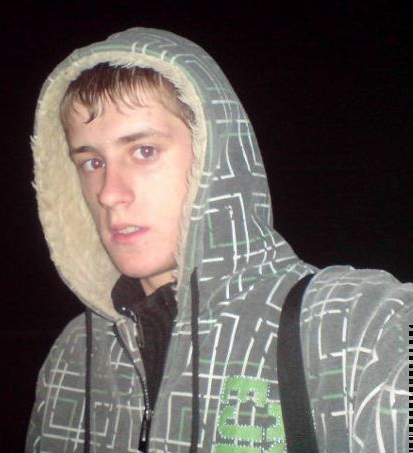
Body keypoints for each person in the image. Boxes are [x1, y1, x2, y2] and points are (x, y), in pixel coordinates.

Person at [26, 28, 411, 453]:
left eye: (144, 151)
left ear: (215, 155)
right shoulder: (72, 360)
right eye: (92, 162)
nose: (108, 193)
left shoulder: (355, 328)